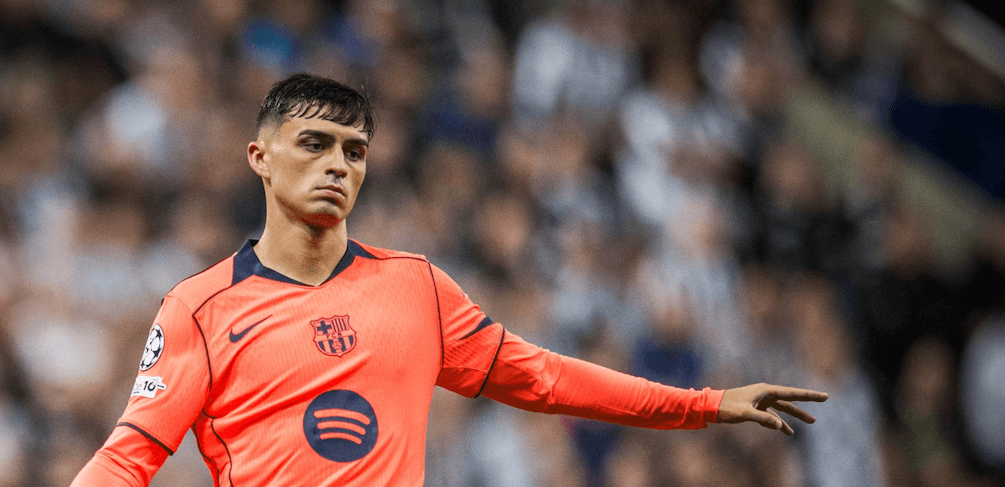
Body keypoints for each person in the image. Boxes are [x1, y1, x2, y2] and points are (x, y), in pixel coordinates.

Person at [71, 74, 827, 486]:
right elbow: (127, 458)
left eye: (354, 151)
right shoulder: (200, 307)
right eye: (314, 143)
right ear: (260, 158)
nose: (338, 165)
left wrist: (702, 404)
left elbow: (547, 379)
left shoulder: (417, 288)